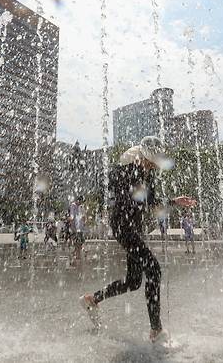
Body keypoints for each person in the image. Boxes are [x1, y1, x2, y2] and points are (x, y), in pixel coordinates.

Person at [79, 136, 196, 343]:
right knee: (153, 269)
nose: (151, 166)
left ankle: (92, 299)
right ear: (141, 156)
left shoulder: (147, 173)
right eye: (149, 162)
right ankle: (156, 330)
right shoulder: (124, 169)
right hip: (123, 226)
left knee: (133, 282)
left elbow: (151, 203)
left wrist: (174, 201)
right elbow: (110, 185)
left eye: (154, 163)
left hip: (135, 227)